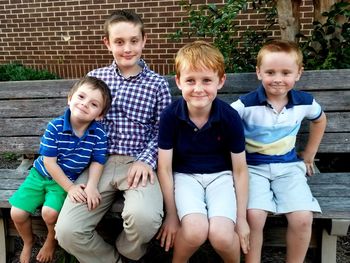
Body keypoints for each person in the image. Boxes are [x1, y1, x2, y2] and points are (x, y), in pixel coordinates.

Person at [55, 9, 172, 263]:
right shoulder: (96, 78)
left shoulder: (157, 84)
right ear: (107, 43)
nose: (127, 48)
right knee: (66, 232)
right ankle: (111, 260)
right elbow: (77, 117)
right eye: (119, 42)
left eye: (133, 40)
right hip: (98, 163)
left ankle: (128, 252)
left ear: (144, 41)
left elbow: (164, 131)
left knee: (145, 219)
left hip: (138, 163)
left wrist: (146, 160)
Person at [231, 39, 327, 263]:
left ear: (298, 73)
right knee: (254, 216)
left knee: (303, 217)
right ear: (258, 73)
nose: (278, 79)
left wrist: (309, 154)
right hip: (252, 168)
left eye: (286, 73)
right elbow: (223, 126)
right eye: (270, 72)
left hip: (289, 167)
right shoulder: (245, 106)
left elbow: (320, 120)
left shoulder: (305, 102)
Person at [156, 40, 250, 263]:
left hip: (221, 177)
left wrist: (242, 218)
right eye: (190, 80)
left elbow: (240, 170)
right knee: (195, 231)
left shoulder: (229, 117)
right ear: (179, 82)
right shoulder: (170, 116)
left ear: (221, 81)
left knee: (222, 236)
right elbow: (165, 167)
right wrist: (171, 215)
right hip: (185, 177)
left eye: (207, 80)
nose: (198, 88)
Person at [9, 76, 112, 263]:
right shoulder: (55, 127)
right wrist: (71, 189)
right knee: (16, 212)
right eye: (81, 97)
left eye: (94, 103)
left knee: (50, 213)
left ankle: (51, 239)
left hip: (65, 179)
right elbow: (49, 163)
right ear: (70, 98)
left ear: (100, 115)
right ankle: (28, 241)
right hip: (39, 175)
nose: (84, 104)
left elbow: (98, 161)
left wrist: (92, 185)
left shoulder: (99, 135)